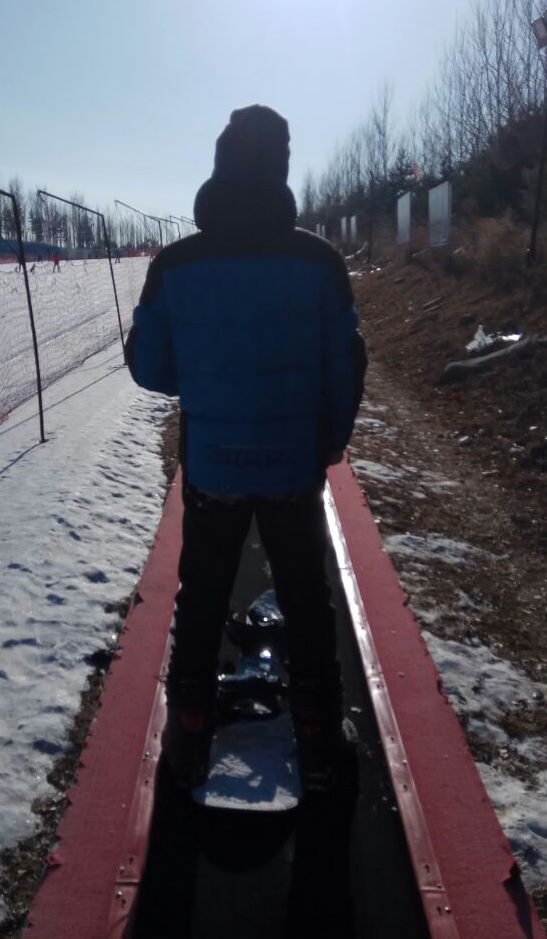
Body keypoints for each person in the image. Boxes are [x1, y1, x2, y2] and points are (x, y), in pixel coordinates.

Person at [125, 105, 366, 793]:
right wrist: (330, 442)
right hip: (292, 465)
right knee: (306, 595)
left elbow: (150, 368)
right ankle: (319, 730)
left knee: (200, 593)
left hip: (211, 465)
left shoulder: (176, 263)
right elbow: (346, 365)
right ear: (281, 169)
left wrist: (202, 380)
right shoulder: (319, 260)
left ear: (220, 164)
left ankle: (191, 722)